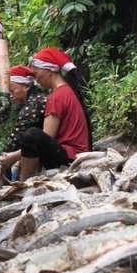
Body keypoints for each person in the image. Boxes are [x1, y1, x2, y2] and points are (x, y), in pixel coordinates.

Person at [16, 47, 92, 181]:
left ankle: (23, 182)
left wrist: (12, 157)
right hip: (75, 153)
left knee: (31, 136)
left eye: (36, 72)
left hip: (71, 157)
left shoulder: (57, 97)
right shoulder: (67, 91)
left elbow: (46, 136)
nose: (36, 77)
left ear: (48, 71)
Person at [0, 64, 48, 181]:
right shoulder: (39, 99)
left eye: (12, 91)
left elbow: (17, 135)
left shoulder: (34, 104)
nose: (11, 96)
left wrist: (1, 160)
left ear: (26, 86)